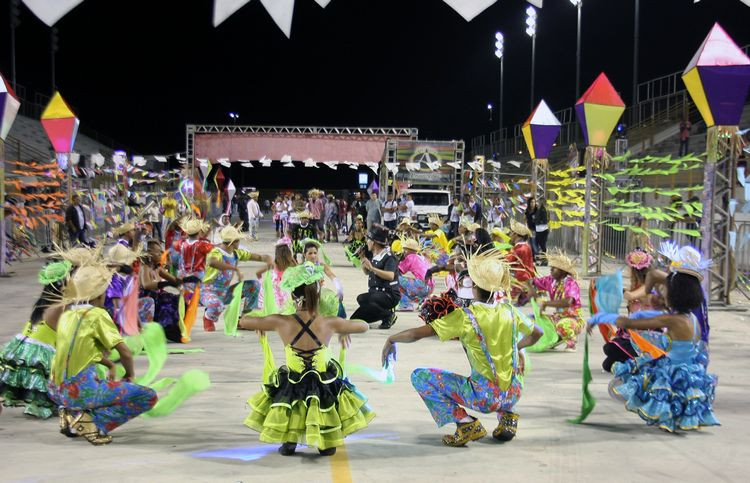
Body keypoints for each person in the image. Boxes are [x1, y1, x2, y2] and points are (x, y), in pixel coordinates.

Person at [382, 249, 543, 446]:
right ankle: (507, 417)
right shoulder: (510, 310)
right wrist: (517, 348)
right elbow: (538, 333)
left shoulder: (467, 316)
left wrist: (391, 340)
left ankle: (465, 423)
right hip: (514, 391)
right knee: (505, 368)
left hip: (485, 398)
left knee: (420, 376)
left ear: (474, 286)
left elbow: (416, 334)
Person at [238, 262, 373, 456]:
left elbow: (245, 321)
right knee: (322, 402)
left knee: (291, 400)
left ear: (293, 296)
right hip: (323, 382)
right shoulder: (329, 322)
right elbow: (363, 326)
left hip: (293, 380)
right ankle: (325, 440)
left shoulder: (281, 321)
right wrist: (343, 330)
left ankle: (290, 440)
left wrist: (260, 318)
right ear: (317, 296)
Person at [599, 245, 719, 432]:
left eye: (667, 291)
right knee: (681, 394)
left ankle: (668, 418)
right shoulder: (693, 318)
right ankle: (683, 418)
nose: (663, 293)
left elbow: (632, 324)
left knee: (646, 378)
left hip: (673, 366)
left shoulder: (672, 319)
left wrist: (605, 317)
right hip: (690, 367)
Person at [48, 262, 157, 445]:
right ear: (100, 294)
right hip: (80, 391)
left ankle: (71, 414)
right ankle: (93, 422)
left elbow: (77, 352)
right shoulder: (97, 314)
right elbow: (125, 352)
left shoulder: (66, 316)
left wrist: (110, 364)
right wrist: (130, 374)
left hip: (55, 390)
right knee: (147, 396)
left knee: (103, 384)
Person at [0, 261, 71, 418]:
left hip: (23, 345)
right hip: (39, 350)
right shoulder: (62, 305)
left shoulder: (42, 301)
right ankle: (39, 404)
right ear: (63, 284)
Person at [200, 225, 268, 332]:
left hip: (225, 292)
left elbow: (256, 257)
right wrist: (234, 268)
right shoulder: (216, 252)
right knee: (218, 305)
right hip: (208, 292)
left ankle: (244, 320)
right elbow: (212, 262)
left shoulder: (236, 253)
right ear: (233, 242)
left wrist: (268, 259)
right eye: (238, 240)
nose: (239, 242)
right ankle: (208, 317)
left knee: (254, 285)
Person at [599, 248, 658, 372]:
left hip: (647, 333)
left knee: (610, 350)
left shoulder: (648, 285)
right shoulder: (636, 286)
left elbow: (630, 296)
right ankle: (631, 362)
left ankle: (638, 361)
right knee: (608, 359)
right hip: (634, 330)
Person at [530, 250, 584, 351]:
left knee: (563, 325)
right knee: (532, 320)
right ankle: (554, 339)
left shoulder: (571, 283)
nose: (551, 271)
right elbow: (533, 281)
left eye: (554, 269)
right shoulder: (551, 280)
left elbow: (568, 302)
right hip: (557, 317)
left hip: (574, 319)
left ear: (562, 271)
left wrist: (546, 303)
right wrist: (528, 286)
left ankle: (571, 343)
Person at [351, 226, 400, 329]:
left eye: (368, 239)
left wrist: (372, 268)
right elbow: (367, 272)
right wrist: (362, 258)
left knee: (368, 300)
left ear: (374, 242)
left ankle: (388, 316)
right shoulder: (375, 254)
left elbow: (390, 276)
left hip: (389, 294)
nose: (366, 242)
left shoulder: (389, 256)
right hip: (377, 293)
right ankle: (384, 314)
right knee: (359, 306)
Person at [139, 239, 187, 343]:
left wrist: (185, 281)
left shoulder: (158, 268)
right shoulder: (145, 267)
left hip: (157, 296)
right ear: (149, 254)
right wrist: (164, 284)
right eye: (158, 252)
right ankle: (167, 329)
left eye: (161, 251)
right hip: (147, 297)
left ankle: (173, 328)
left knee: (180, 300)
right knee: (167, 302)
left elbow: (174, 280)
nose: (161, 254)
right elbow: (146, 285)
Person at [250, 237, 298, 316]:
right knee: (285, 311)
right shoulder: (291, 264)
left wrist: (262, 282)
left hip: (273, 290)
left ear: (276, 254)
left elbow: (258, 273)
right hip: (285, 291)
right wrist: (292, 259)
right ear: (289, 254)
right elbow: (298, 272)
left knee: (272, 310)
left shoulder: (273, 264)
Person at [397, 238, 434, 311]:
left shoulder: (410, 257)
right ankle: (422, 301)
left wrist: (398, 260)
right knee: (409, 282)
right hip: (430, 287)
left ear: (410, 250)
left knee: (395, 279)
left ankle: (405, 304)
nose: (404, 252)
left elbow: (398, 271)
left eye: (405, 250)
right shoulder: (422, 257)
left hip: (421, 285)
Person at [507, 220, 535, 304]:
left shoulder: (518, 248)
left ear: (516, 234)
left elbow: (508, 260)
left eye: (512, 232)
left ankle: (521, 296)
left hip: (520, 276)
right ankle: (524, 294)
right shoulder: (527, 246)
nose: (510, 235)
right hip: (528, 274)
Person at [533, 198, 549, 263]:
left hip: (542, 230)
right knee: (539, 244)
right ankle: (541, 258)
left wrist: (536, 220)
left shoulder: (543, 210)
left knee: (542, 245)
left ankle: (544, 259)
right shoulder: (539, 210)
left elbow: (545, 220)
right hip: (540, 229)